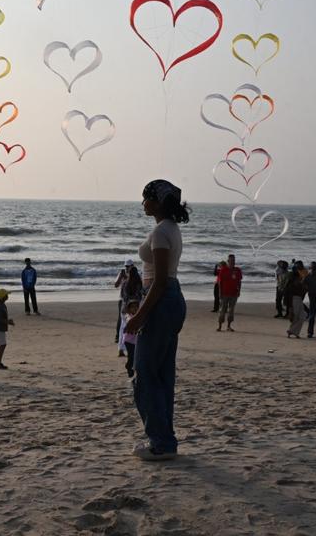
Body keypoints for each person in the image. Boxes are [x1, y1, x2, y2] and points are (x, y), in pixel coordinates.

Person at [123, 179, 189, 461]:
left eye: (146, 197)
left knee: (144, 375)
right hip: (170, 299)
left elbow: (160, 281)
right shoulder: (170, 228)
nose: (143, 203)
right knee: (162, 375)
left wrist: (140, 315)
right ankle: (165, 440)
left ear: (158, 202)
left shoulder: (161, 232)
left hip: (161, 299)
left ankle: (160, 442)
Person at [216, 260, 242, 331]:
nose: (232, 263)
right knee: (222, 310)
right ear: (228, 262)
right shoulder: (223, 270)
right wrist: (220, 293)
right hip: (224, 293)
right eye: (230, 261)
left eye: (233, 261)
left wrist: (239, 291)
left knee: (231, 310)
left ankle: (228, 326)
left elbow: (239, 281)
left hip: (234, 294)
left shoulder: (237, 270)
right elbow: (220, 282)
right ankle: (220, 326)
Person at [285, 262, 308, 338]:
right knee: (297, 316)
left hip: (299, 299)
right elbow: (289, 294)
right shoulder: (292, 283)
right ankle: (293, 332)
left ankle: (292, 331)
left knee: (302, 316)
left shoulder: (299, 280)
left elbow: (303, 290)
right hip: (294, 299)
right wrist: (290, 306)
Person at [120, 300, 140, 377]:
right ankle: (129, 367)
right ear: (129, 309)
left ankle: (132, 368)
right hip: (128, 341)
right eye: (132, 307)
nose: (135, 309)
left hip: (135, 341)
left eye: (136, 307)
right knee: (131, 356)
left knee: (135, 356)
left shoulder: (139, 316)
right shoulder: (128, 316)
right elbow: (128, 320)